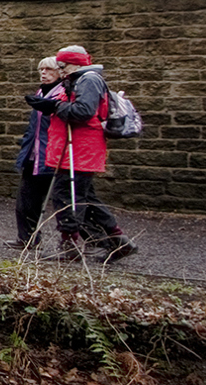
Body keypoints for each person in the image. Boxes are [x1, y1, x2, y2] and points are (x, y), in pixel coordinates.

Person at [24, 45, 137, 262]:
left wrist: (54, 107)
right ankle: (119, 241)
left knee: (65, 196)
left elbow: (84, 112)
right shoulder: (81, 79)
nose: (60, 69)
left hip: (80, 150)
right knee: (87, 199)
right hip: (75, 149)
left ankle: (70, 245)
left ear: (74, 63)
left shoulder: (89, 80)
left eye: (62, 65)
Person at [7, 57, 64, 251]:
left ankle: (86, 240)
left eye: (49, 70)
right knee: (26, 198)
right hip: (33, 153)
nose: (44, 73)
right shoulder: (42, 92)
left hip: (52, 154)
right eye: (42, 70)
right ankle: (27, 238)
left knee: (62, 198)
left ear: (59, 72)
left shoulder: (63, 93)